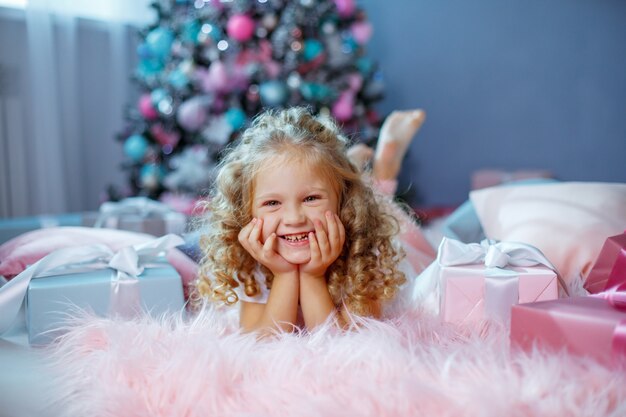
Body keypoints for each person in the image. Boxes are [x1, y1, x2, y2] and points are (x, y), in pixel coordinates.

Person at [193, 107, 434, 334]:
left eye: (310, 198)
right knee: (362, 192)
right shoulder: (251, 258)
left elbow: (343, 345)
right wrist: (285, 275)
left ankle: (383, 172)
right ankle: (358, 168)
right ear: (247, 213)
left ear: (342, 203)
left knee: (392, 217)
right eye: (272, 203)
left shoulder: (366, 255)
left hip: (394, 246)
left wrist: (312, 276)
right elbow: (263, 341)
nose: (294, 219)